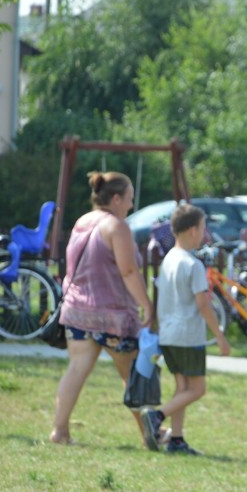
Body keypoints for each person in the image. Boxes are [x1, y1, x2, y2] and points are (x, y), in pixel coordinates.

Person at [50, 172, 155, 446]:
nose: (131, 206)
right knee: (134, 375)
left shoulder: (82, 221)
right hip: (113, 315)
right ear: (116, 198)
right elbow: (130, 271)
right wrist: (147, 305)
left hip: (77, 311)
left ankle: (59, 432)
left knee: (75, 370)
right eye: (129, 199)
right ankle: (150, 435)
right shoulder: (116, 227)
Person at [142, 204, 231, 455]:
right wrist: (220, 337)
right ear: (193, 230)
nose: (204, 234)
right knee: (197, 389)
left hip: (169, 334)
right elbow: (203, 304)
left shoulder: (169, 259)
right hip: (188, 335)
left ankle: (177, 440)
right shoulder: (193, 265)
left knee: (182, 388)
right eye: (203, 228)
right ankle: (157, 417)